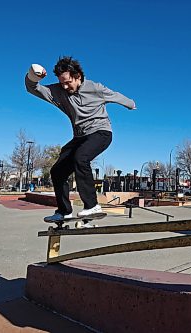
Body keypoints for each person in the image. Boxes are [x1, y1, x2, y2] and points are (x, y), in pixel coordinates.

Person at [25, 56, 136, 224]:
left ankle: (92, 206)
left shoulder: (95, 88)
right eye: (62, 83)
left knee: (81, 157)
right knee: (57, 172)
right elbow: (32, 88)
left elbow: (115, 95)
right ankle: (64, 211)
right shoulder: (58, 91)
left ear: (78, 76)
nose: (65, 86)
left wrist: (130, 104)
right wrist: (33, 75)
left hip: (101, 132)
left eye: (68, 82)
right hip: (80, 137)